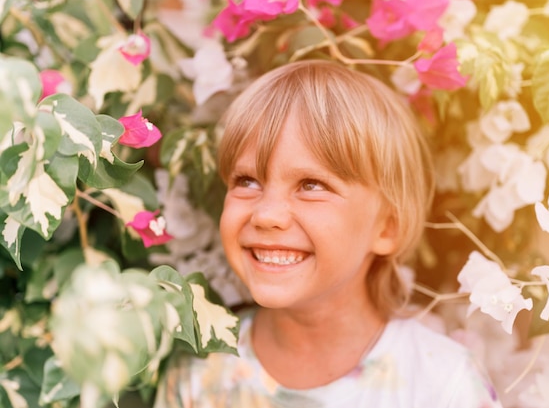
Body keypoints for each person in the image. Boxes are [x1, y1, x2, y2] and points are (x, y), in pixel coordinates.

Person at [153, 60, 502, 408]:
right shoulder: (199, 374)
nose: (266, 215)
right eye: (247, 181)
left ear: (387, 228)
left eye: (311, 185)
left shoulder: (442, 385)